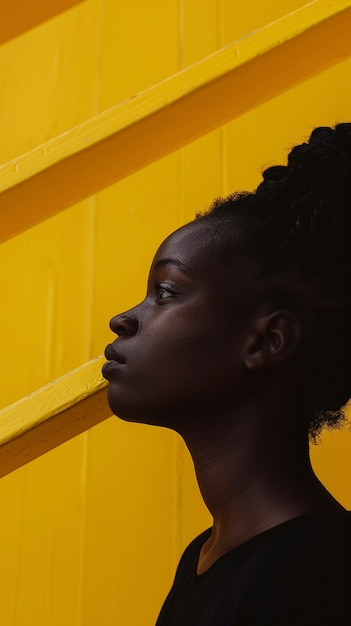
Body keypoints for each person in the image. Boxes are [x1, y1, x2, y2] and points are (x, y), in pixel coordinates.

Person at [102, 123, 351, 625]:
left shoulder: (314, 577)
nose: (124, 319)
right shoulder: (207, 557)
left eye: (167, 292)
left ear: (266, 341)